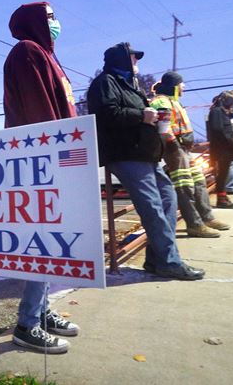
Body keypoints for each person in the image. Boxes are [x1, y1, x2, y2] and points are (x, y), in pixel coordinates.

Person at [87, 43, 205, 281]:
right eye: (134, 58)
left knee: (168, 198)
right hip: (126, 153)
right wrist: (142, 115)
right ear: (121, 60)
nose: (137, 63)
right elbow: (106, 114)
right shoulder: (105, 82)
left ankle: (156, 259)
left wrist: (151, 115)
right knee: (152, 208)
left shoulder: (130, 85)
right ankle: (170, 262)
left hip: (146, 154)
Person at [3, 2, 80, 354]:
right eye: (49, 17)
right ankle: (27, 324)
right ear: (34, 21)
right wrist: (58, 156)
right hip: (42, 160)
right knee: (43, 240)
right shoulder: (27, 51)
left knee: (50, 239)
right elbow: (41, 111)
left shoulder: (48, 56)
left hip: (52, 157)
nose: (55, 23)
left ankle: (42, 311)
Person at [150, 72, 229, 238]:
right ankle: (194, 224)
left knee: (199, 181)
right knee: (184, 186)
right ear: (174, 85)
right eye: (181, 83)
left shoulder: (173, 101)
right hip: (175, 150)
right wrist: (174, 145)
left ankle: (206, 218)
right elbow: (163, 128)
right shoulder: (161, 101)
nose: (183, 86)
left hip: (183, 149)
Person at [207, 92, 233, 209]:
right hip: (222, 148)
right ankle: (221, 199)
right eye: (232, 102)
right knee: (222, 174)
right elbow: (218, 129)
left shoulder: (220, 111)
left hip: (224, 147)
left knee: (224, 173)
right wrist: (230, 141)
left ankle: (223, 197)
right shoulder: (217, 111)